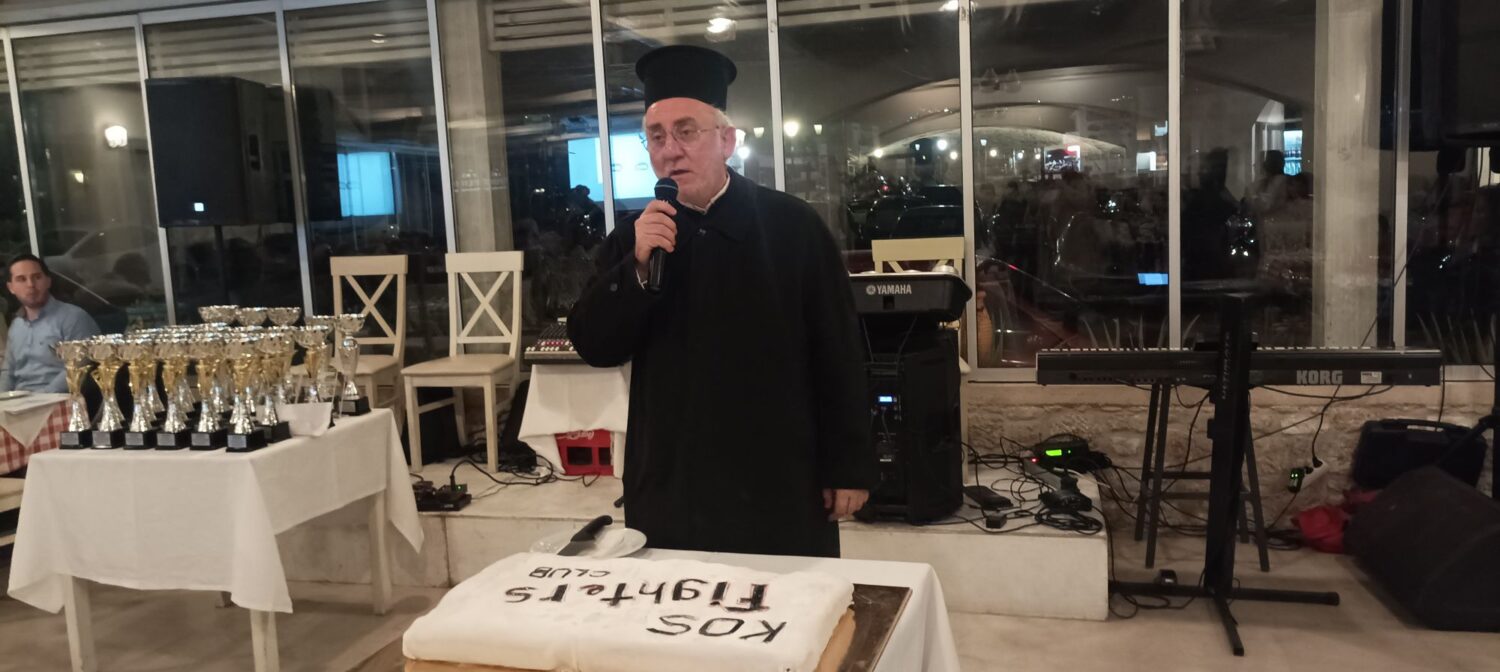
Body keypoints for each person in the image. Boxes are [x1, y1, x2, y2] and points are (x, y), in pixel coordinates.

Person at [567, 45, 873, 558]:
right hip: (672, 483)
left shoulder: (792, 226)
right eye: (656, 136)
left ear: (727, 141)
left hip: (778, 479)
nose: (670, 149)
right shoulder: (633, 238)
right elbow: (594, 344)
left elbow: (839, 351)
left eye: (686, 131)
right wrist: (636, 268)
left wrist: (848, 465)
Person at [0, 254, 101, 393]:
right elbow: (8, 371)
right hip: (20, 400)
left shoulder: (73, 317)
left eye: (37, 277)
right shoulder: (16, 326)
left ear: (48, 281)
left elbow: (78, 366)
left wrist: (41, 398)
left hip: (58, 398)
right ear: (11, 287)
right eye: (21, 279)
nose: (30, 285)